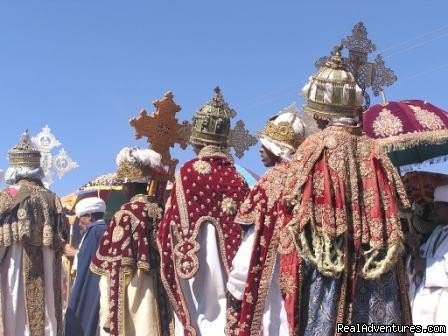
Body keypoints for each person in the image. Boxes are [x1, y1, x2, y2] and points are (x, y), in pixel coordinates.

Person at [282, 48, 412, 335]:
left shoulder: (314, 147)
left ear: (320, 111)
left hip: (331, 265)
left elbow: (292, 206)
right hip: (373, 264)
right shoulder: (376, 150)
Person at [157, 87, 250, 336]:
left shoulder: (188, 171)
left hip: (196, 262)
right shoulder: (237, 177)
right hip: (232, 264)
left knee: (199, 313)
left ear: (197, 139)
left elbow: (170, 225)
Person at [225, 105, 308, 336]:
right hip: (300, 273)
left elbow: (253, 239)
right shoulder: (304, 177)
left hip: (270, 273)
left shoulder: (270, 181)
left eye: (266, 144)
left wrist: (238, 279)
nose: (260, 150)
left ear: (277, 149)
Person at [90, 147, 172, 336]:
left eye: (124, 185)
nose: (123, 189)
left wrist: (109, 316)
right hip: (159, 289)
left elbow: (114, 268)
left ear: (131, 185)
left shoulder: (125, 214)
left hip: (135, 289)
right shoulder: (160, 211)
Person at [0, 130, 67, 335]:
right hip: (47, 271)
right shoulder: (52, 198)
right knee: (46, 312)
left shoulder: (7, 196)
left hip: (13, 267)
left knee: (14, 313)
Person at [64, 197, 107, 336]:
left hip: (91, 286)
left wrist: (75, 254)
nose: (79, 223)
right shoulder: (96, 230)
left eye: (80, 218)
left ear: (89, 216)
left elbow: (93, 259)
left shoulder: (97, 231)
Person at [409, 185, 448, 332]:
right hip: (423, 305)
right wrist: (415, 248)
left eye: (438, 207)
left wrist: (426, 265)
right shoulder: (437, 231)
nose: (434, 212)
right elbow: (420, 259)